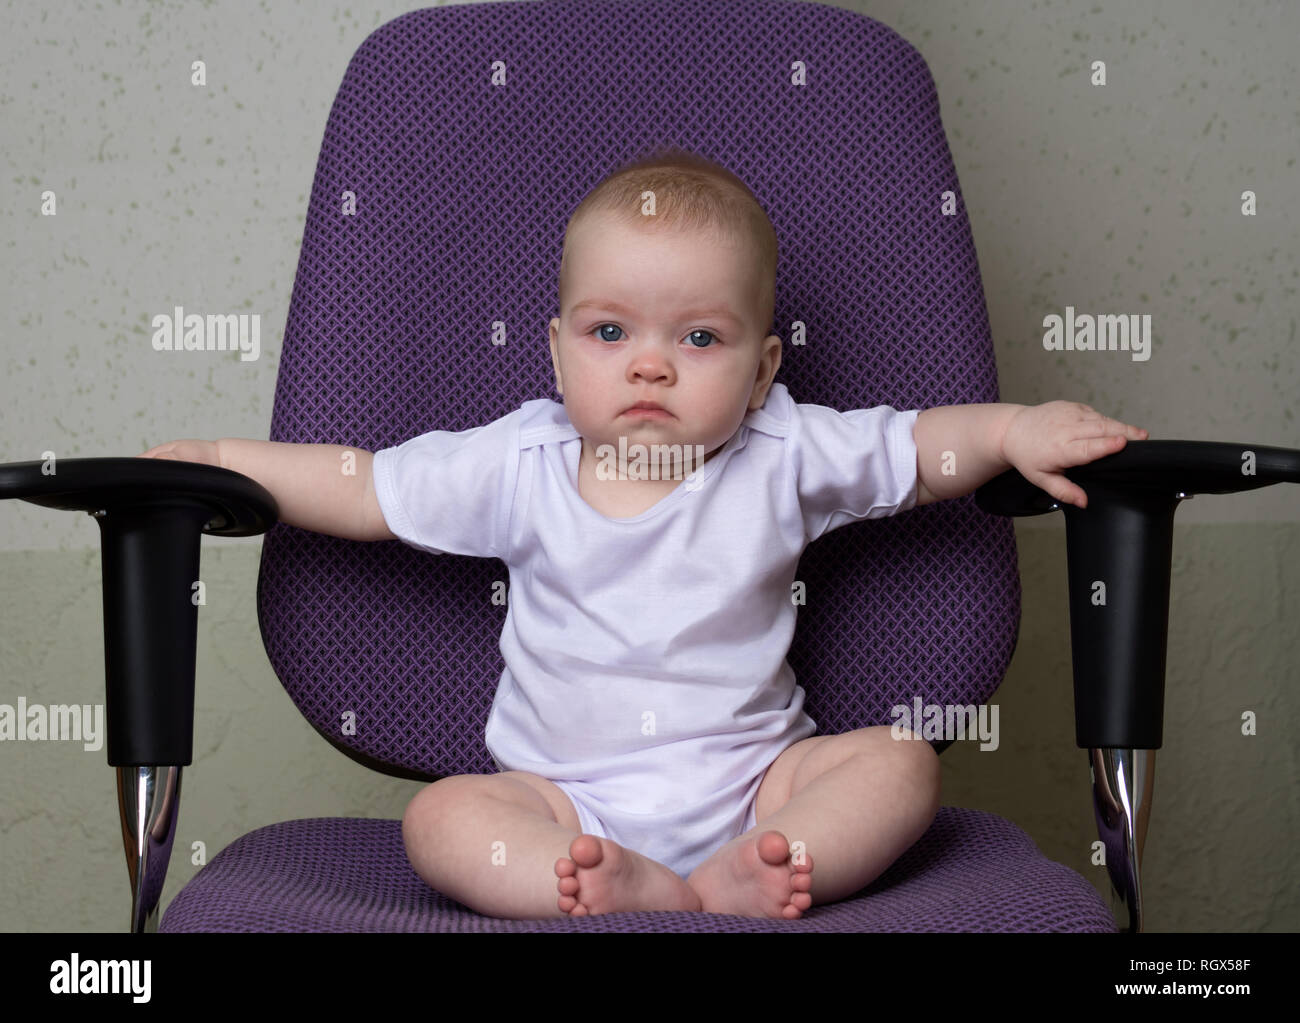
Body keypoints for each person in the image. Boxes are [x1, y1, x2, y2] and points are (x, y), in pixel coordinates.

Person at [139, 146, 1147, 921]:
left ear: (761, 371)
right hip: (564, 807)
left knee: (900, 763)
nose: (649, 366)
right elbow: (363, 488)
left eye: (699, 337)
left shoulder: (784, 449)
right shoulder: (519, 464)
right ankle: (613, 891)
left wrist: (1015, 430)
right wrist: (223, 460)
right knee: (442, 820)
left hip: (760, 793)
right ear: (558, 348)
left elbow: (920, 448)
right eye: (609, 332)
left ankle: (753, 875)